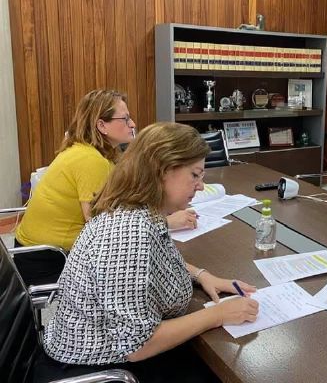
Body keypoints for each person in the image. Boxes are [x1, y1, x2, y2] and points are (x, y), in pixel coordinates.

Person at [41, 122, 259, 382]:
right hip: (103, 368)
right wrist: (218, 314)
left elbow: (157, 261)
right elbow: (137, 346)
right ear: (162, 171)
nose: (201, 186)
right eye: (195, 175)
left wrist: (201, 275)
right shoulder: (127, 234)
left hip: (118, 354)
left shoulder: (141, 210)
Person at [14, 90, 200, 286]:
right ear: (101, 125)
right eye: (125, 119)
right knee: (150, 274)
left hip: (41, 251)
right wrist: (166, 222)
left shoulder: (98, 152)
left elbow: (125, 198)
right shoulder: (90, 160)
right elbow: (104, 232)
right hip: (47, 261)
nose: (133, 124)